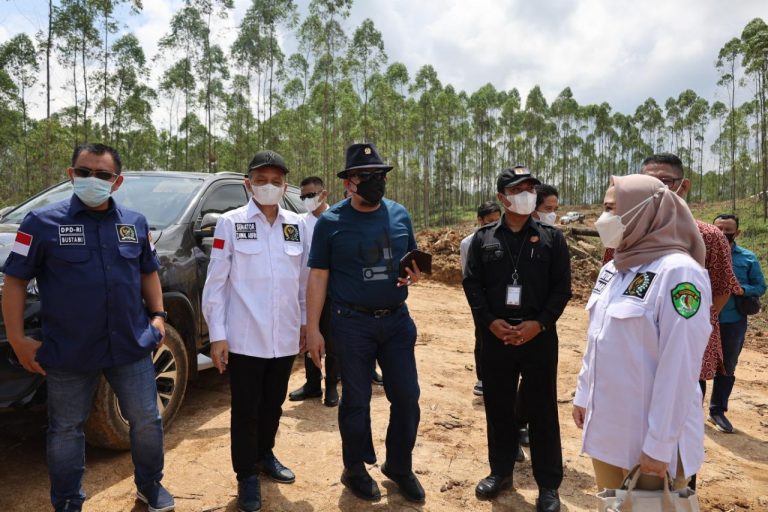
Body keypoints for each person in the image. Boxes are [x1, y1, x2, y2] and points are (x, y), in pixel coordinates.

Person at [1, 143, 174, 512]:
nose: (92, 179)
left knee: (146, 420)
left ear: (117, 181)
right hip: (69, 350)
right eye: (84, 172)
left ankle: (150, 486)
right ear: (71, 174)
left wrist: (158, 316)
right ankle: (67, 501)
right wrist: (17, 339)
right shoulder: (41, 223)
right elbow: (14, 281)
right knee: (66, 430)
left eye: (102, 175)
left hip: (130, 345)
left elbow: (148, 271)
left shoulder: (135, 223)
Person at [574, 174, 712, 493]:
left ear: (642, 212)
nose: (602, 218)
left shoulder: (679, 273)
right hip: (607, 427)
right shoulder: (614, 269)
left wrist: (660, 445)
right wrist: (583, 394)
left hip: (648, 440)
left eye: (611, 209)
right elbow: (596, 339)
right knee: (611, 503)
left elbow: (679, 368)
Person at [305, 143, 425, 503]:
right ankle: (354, 468)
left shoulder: (400, 214)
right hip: (351, 323)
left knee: (407, 397)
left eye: (380, 176)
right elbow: (318, 278)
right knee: (355, 399)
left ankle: (398, 466)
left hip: (396, 322)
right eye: (367, 176)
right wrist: (313, 329)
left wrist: (413, 276)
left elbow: (411, 262)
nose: (376, 182)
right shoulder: (330, 223)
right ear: (349, 183)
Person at [201, 150, 309, 512]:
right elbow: (215, 283)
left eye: (276, 181)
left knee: (274, 405)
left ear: (285, 186)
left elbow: (303, 282)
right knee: (245, 410)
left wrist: (306, 323)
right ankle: (245, 475)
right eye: (261, 180)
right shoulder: (230, 223)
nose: (268, 186)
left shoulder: (297, 224)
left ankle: (265, 455)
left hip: (285, 336)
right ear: (248, 184)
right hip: (245, 336)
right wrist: (217, 334)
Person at [463, 166, 571, 511]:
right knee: (498, 407)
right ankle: (501, 472)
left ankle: (549, 485)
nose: (526, 194)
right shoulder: (484, 239)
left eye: (530, 188)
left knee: (542, 410)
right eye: (518, 189)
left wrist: (538, 324)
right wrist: (491, 323)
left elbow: (562, 290)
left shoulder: (553, 238)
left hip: (537, 336)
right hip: (496, 337)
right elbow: (473, 286)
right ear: (502, 197)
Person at [710, 213, 766, 433]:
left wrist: (743, 290)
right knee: (696, 365)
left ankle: (717, 411)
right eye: (719, 229)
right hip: (701, 319)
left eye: (728, 230)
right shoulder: (699, 254)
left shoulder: (748, 258)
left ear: (737, 232)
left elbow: (761, 286)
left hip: (733, 321)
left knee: (727, 365)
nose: (723, 234)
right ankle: (691, 410)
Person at [289, 176, 341, 407]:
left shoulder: (339, 219)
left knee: (333, 340)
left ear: (324, 194)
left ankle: (331, 385)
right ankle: (312, 384)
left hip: (333, 293)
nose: (307, 200)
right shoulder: (299, 223)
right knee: (309, 336)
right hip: (305, 292)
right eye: (303, 196)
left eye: (311, 195)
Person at [459, 201, 502, 397]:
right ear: (480, 220)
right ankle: (483, 378)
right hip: (481, 297)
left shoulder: (506, 238)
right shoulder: (468, 243)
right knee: (482, 336)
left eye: (497, 220)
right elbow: (468, 274)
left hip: (501, 295)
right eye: (489, 221)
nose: (494, 224)